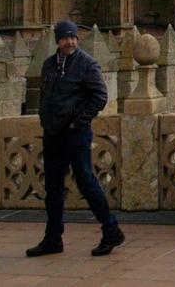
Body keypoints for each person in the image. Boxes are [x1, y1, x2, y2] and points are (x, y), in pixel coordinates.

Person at [26, 20, 125, 258]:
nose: (70, 42)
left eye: (73, 38)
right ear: (58, 41)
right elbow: (44, 96)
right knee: (53, 188)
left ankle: (111, 230)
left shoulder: (87, 64)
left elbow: (100, 96)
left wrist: (78, 121)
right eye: (65, 38)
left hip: (75, 134)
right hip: (52, 134)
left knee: (87, 183)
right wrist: (45, 119)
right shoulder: (49, 65)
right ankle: (53, 238)